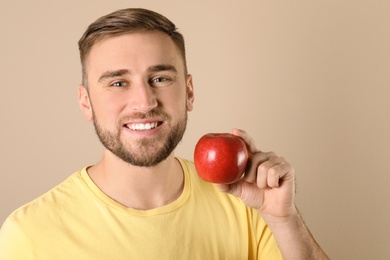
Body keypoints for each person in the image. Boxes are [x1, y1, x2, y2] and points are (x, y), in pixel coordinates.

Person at [0, 8, 329, 259]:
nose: (144, 101)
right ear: (86, 102)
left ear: (188, 92)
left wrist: (284, 220)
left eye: (160, 78)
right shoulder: (29, 234)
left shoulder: (247, 203)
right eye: (118, 82)